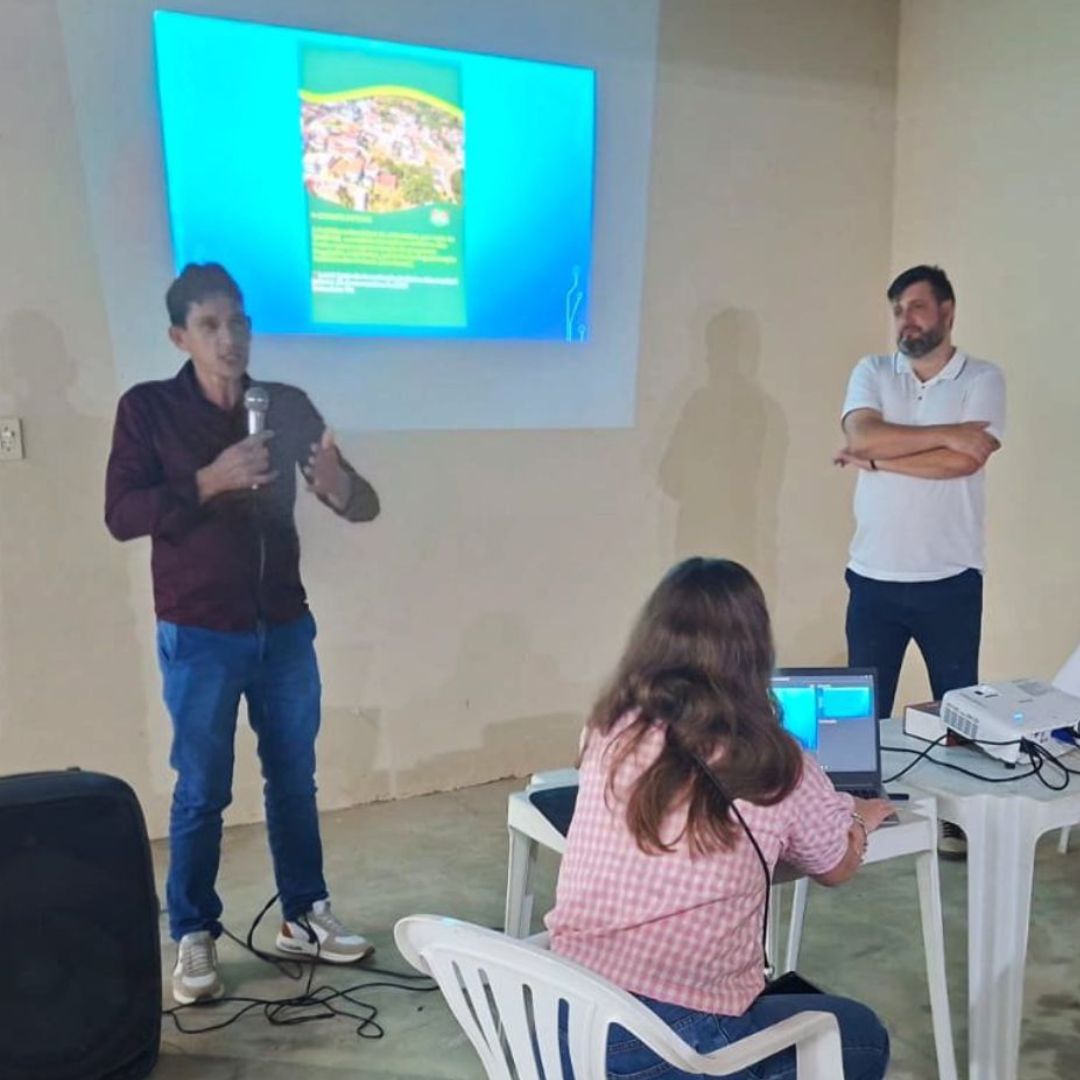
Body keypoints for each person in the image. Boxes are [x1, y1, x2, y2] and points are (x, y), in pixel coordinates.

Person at [105, 263, 380, 1005]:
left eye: (238, 322)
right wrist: (208, 480)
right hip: (200, 630)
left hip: (284, 625)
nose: (229, 338)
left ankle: (303, 914)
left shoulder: (282, 404)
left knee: (294, 779)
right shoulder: (149, 410)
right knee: (202, 790)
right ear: (180, 337)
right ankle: (194, 932)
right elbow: (121, 514)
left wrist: (337, 486)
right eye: (210, 325)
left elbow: (361, 501)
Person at [546, 558, 893, 1080]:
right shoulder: (776, 764)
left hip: (562, 1021)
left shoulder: (610, 730)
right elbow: (836, 866)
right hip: (672, 1047)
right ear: (753, 652)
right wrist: (860, 817)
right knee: (861, 1036)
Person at [834, 265, 1006, 857]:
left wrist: (880, 460)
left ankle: (957, 824)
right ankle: (851, 819)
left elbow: (965, 462)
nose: (905, 321)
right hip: (873, 577)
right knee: (861, 719)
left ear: (947, 311)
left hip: (950, 578)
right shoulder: (873, 371)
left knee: (959, 710)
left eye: (916, 307)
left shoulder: (982, 377)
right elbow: (861, 435)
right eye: (897, 311)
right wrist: (949, 433)